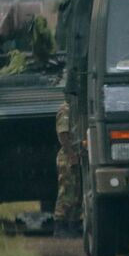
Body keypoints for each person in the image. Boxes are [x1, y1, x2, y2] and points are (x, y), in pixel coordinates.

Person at [53, 101, 82, 238]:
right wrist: (71, 155)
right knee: (66, 191)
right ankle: (60, 224)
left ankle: (73, 224)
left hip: (76, 155)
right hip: (67, 156)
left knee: (76, 192)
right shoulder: (66, 108)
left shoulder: (77, 107)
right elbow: (63, 134)